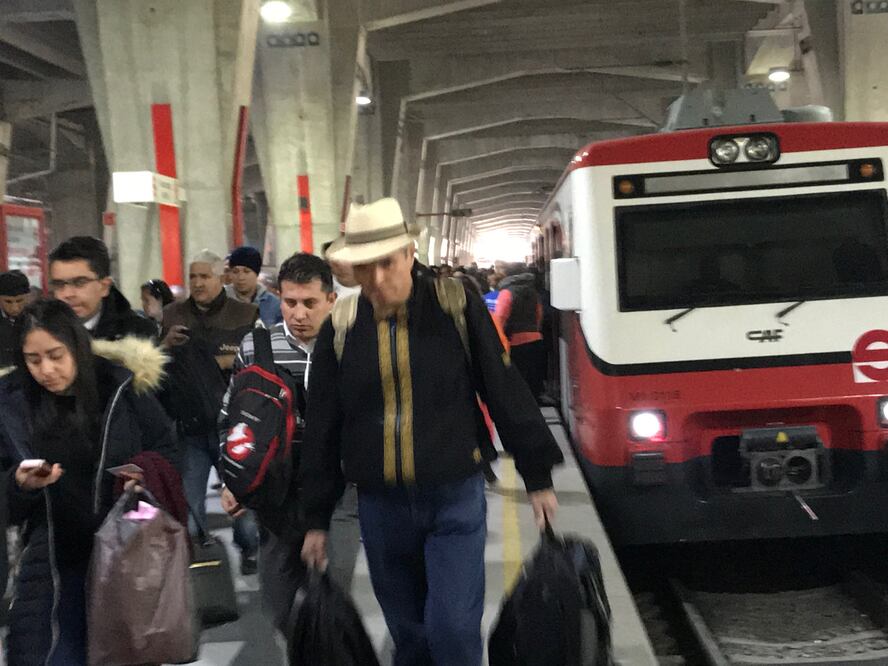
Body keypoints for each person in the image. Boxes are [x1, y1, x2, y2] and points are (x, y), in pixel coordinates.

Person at [300, 198, 563, 666]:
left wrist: (537, 474)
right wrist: (316, 516)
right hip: (380, 508)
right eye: (365, 268)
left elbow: (503, 388)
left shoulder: (453, 306)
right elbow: (323, 425)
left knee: (455, 630)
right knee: (410, 636)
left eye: (387, 263)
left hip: (453, 498)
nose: (378, 279)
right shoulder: (340, 325)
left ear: (409, 254)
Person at [0, 299, 177, 665]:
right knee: (47, 653)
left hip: (125, 552)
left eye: (55, 355)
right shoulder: (13, 403)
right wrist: (20, 484)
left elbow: (166, 450)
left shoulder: (120, 386)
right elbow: (8, 502)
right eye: (34, 360)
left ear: (76, 347)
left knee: (121, 654)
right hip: (51, 559)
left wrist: (141, 478)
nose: (46, 369)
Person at [219, 252, 361, 632]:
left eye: (310, 303)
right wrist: (233, 481)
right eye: (290, 302)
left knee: (330, 600)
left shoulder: (352, 345)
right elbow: (233, 416)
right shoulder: (255, 347)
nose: (299, 314)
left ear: (332, 300)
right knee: (282, 609)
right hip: (277, 495)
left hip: (339, 493)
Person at [161, 249, 260, 574]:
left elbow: (261, 366)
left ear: (222, 278)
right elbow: (154, 368)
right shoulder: (173, 315)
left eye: (205, 276)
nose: (198, 282)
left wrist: (228, 363)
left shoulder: (245, 315)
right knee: (189, 511)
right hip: (190, 429)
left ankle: (249, 549)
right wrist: (164, 347)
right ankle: (202, 567)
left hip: (235, 428)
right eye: (193, 276)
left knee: (245, 509)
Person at [48, 236, 156, 342]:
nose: (67, 294)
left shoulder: (139, 334)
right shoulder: (41, 331)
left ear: (104, 286)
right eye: (59, 284)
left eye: (79, 282)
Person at [495, 263, 547, 400]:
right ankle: (535, 402)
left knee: (518, 376)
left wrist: (498, 339)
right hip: (535, 338)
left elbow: (500, 317)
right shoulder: (533, 292)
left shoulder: (506, 293)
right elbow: (539, 315)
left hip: (514, 341)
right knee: (533, 375)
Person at [226, 246, 282, 327]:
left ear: (257, 273)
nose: (241, 277)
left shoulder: (273, 304)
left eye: (246, 272)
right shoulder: (221, 299)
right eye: (235, 272)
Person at [0, 270, 30, 368]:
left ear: (27, 297)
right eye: (8, 302)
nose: (15, 308)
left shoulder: (37, 317)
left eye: (19, 300)